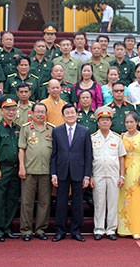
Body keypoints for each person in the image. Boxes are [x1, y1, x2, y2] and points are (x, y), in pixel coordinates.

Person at [51, 103, 93, 242]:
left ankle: (76, 230)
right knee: (61, 201)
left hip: (79, 171)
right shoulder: (57, 131)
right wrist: (53, 173)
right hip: (62, 171)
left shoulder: (84, 131)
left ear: (77, 114)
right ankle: (60, 230)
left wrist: (87, 175)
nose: (70, 115)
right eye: (67, 113)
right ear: (63, 116)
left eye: (72, 113)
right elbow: (54, 154)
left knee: (77, 202)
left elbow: (88, 155)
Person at [18, 103, 54, 242]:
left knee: (44, 202)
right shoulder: (26, 129)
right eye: (37, 112)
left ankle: (40, 229)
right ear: (32, 113)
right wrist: (21, 167)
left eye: (42, 112)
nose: (40, 114)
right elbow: (22, 149)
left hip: (46, 171)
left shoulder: (51, 129)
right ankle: (26, 230)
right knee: (27, 202)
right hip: (29, 170)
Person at [0, 96, 21, 242]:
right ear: (2, 110)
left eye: (13, 109)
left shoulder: (18, 128)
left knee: (12, 200)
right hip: (1, 168)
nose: (11, 112)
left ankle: (7, 227)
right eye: (8, 109)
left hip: (15, 169)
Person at [90, 106, 126, 241]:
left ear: (111, 122)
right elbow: (89, 159)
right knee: (99, 203)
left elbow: (121, 157)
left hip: (113, 175)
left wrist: (122, 176)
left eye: (107, 120)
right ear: (98, 122)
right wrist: (90, 176)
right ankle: (99, 229)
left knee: (112, 203)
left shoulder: (117, 138)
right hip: (98, 174)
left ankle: (111, 229)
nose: (105, 122)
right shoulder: (92, 138)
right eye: (102, 120)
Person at [118, 112, 140, 239]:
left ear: (136, 123)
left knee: (136, 199)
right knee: (124, 199)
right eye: (127, 122)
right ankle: (124, 228)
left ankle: (136, 228)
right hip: (125, 171)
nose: (129, 125)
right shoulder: (122, 136)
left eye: (132, 122)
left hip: (136, 170)